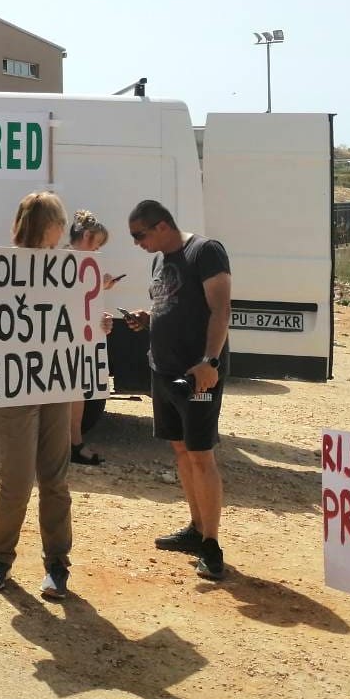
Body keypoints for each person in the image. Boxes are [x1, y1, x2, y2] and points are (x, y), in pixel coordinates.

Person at [113, 199, 231, 582]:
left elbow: (221, 310)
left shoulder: (205, 252)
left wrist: (210, 362)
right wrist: (147, 318)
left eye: (139, 235)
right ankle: (196, 528)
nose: (137, 243)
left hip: (197, 374)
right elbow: (174, 305)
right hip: (163, 371)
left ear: (161, 226)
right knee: (181, 450)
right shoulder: (160, 260)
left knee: (201, 454)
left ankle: (211, 545)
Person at [0, 191, 75, 599]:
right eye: (59, 222)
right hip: (14, 386)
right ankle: (0, 558)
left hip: (56, 383)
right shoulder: (3, 267)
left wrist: (97, 324)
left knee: (55, 480)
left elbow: (77, 319)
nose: (63, 230)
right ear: (49, 226)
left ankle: (57, 564)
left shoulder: (69, 270)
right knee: (17, 480)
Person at [66, 210, 117, 466]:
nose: (97, 250)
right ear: (86, 236)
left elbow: (82, 303)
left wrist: (99, 318)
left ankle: (73, 444)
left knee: (76, 393)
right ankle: (70, 445)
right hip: (63, 339)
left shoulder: (83, 265)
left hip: (77, 337)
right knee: (68, 394)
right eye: (96, 244)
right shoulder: (63, 262)